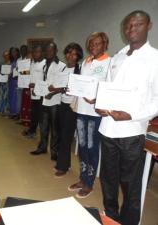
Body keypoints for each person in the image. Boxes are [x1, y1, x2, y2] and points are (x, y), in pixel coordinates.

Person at [96, 11, 158, 225]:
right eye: (128, 25)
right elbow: (106, 88)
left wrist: (132, 115)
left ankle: (129, 222)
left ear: (148, 26)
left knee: (130, 183)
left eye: (137, 24)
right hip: (107, 129)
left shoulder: (155, 59)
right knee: (108, 179)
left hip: (132, 131)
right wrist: (100, 105)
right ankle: (111, 217)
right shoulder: (117, 57)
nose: (132, 29)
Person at [68, 32, 111, 198]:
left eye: (98, 43)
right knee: (83, 145)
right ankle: (82, 178)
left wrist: (97, 99)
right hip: (82, 110)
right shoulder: (86, 61)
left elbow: (108, 87)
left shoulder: (109, 62)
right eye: (91, 44)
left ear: (105, 44)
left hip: (95, 112)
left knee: (92, 148)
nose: (94, 46)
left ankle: (89, 183)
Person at [30, 42, 66, 161]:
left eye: (51, 50)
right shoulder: (44, 64)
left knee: (55, 129)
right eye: (47, 51)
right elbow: (42, 82)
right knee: (43, 126)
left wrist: (53, 93)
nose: (49, 53)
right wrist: (37, 90)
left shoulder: (62, 66)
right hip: (44, 99)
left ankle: (54, 152)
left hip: (55, 101)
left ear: (56, 51)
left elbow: (63, 86)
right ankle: (42, 147)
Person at [53, 43, 83, 177]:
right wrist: (53, 89)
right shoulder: (64, 68)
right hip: (62, 104)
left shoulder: (80, 70)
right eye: (69, 52)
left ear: (78, 56)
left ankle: (62, 166)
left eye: (74, 53)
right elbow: (60, 86)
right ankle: (66, 162)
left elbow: (76, 89)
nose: (71, 56)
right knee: (60, 134)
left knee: (66, 136)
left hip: (73, 107)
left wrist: (59, 89)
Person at [23, 45, 45, 138]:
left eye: (38, 52)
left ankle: (39, 133)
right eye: (34, 52)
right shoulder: (32, 63)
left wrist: (36, 86)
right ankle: (32, 130)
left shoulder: (45, 64)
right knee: (34, 113)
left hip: (41, 93)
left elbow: (45, 80)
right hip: (33, 92)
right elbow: (30, 77)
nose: (36, 54)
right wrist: (29, 89)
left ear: (42, 53)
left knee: (40, 114)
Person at [8, 47, 20, 119]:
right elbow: (9, 71)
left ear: (17, 52)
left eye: (15, 52)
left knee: (16, 98)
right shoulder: (11, 61)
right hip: (11, 81)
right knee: (11, 96)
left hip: (16, 80)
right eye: (12, 52)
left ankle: (16, 113)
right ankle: (12, 112)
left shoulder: (19, 61)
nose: (13, 53)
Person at [0, 50, 10, 115]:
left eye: (7, 55)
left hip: (8, 82)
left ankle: (6, 110)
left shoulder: (11, 63)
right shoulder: (2, 63)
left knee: (6, 97)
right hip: (2, 82)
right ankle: (0, 110)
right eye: (5, 55)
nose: (6, 56)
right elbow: (0, 72)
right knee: (1, 96)